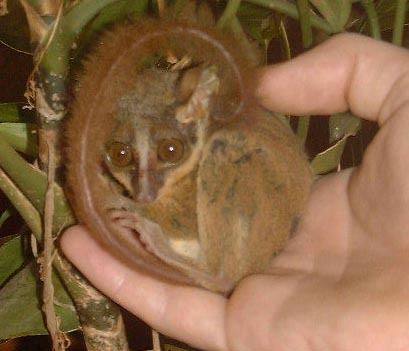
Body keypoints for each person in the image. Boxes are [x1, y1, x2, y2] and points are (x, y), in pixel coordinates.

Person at [61, 33, 409, 351]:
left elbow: (178, 219)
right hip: (267, 239)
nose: (144, 185)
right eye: (122, 156)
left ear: (194, 112)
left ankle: (209, 272)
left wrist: (155, 235)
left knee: (226, 150)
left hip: (249, 234)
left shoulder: (218, 146)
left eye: (168, 153)